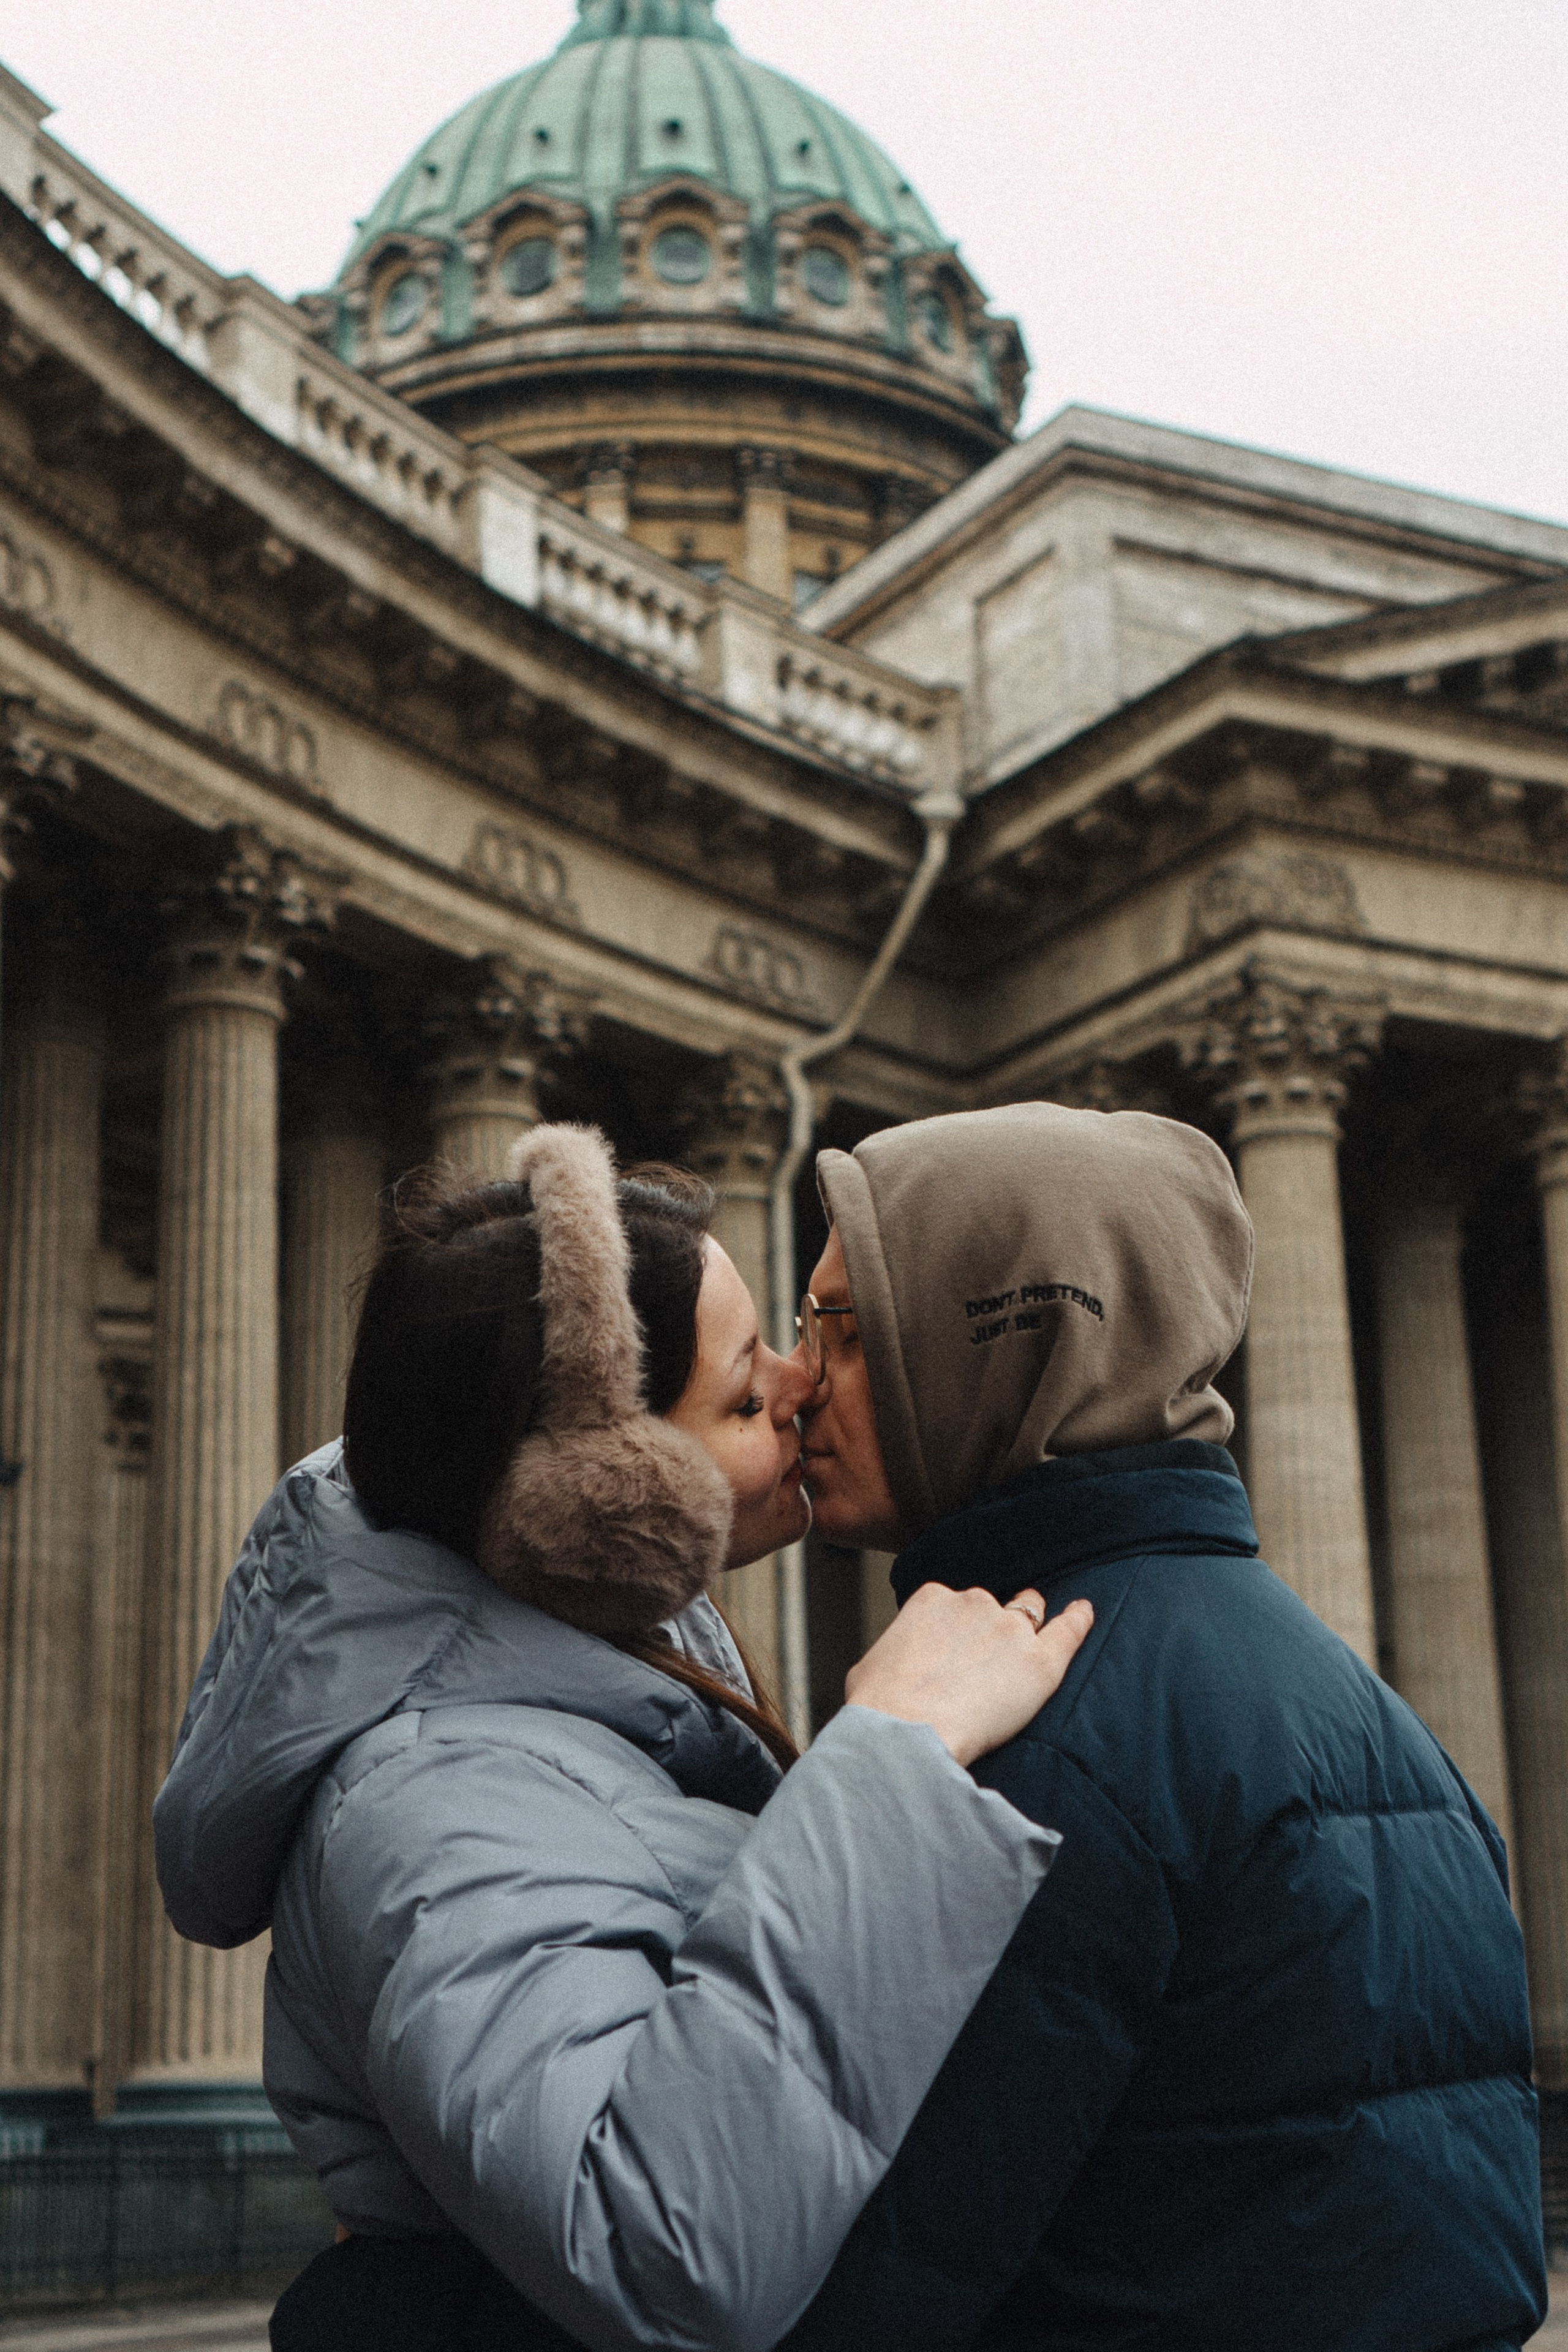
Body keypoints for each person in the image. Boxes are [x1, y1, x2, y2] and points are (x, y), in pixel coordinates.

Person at [152, 1123, 1093, 2352]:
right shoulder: (436, 1799)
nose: (801, 1386)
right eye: (748, 1392)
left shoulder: (589, 1704)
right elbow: (667, 2254)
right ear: (608, 1493)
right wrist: (889, 1765)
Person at [780, 1101, 1548, 2352]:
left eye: (848, 1332)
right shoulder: (1378, 1722)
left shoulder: (1033, 1744)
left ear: (999, 1345)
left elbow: (870, 2283)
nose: (798, 1382)